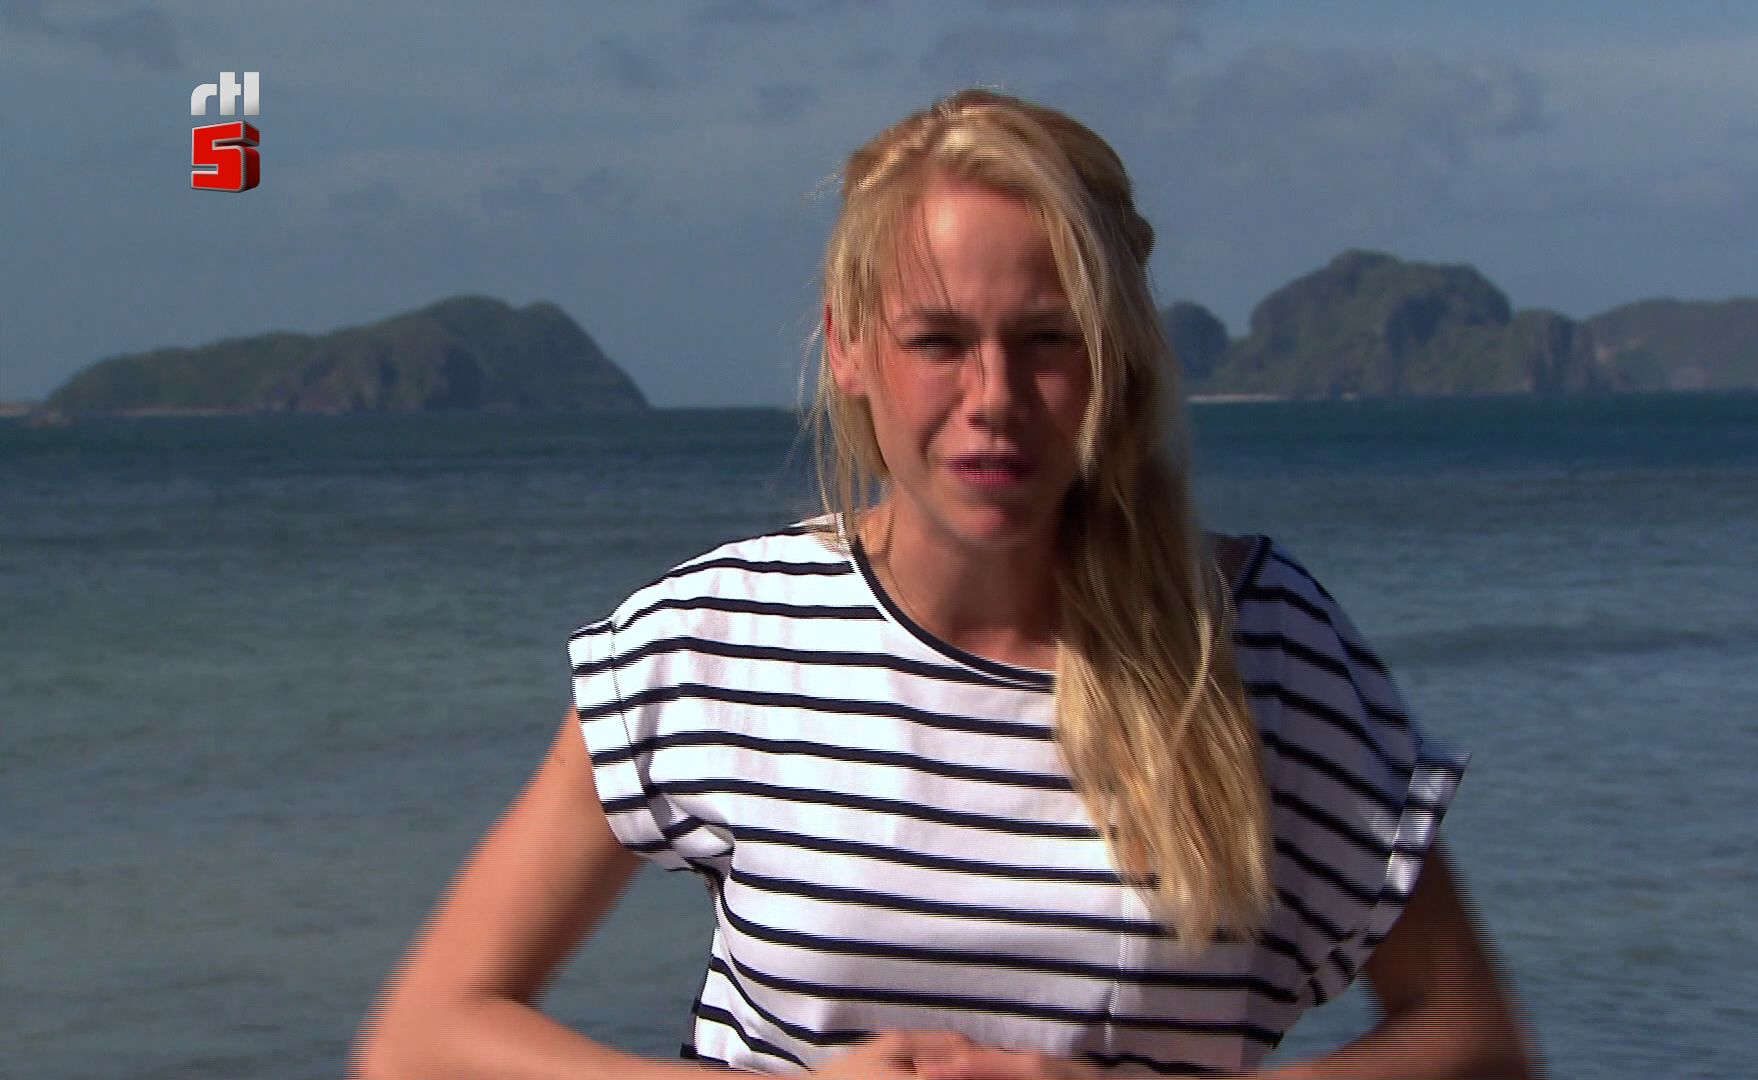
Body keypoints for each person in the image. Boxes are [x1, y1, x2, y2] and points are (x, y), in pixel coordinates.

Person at [351, 89, 1540, 1080]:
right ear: (850, 349)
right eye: (939, 341)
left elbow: (1475, 1040)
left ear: (1115, 357)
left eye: (1047, 340)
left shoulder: (1252, 646)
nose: (993, 399)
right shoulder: (716, 642)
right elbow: (424, 1037)